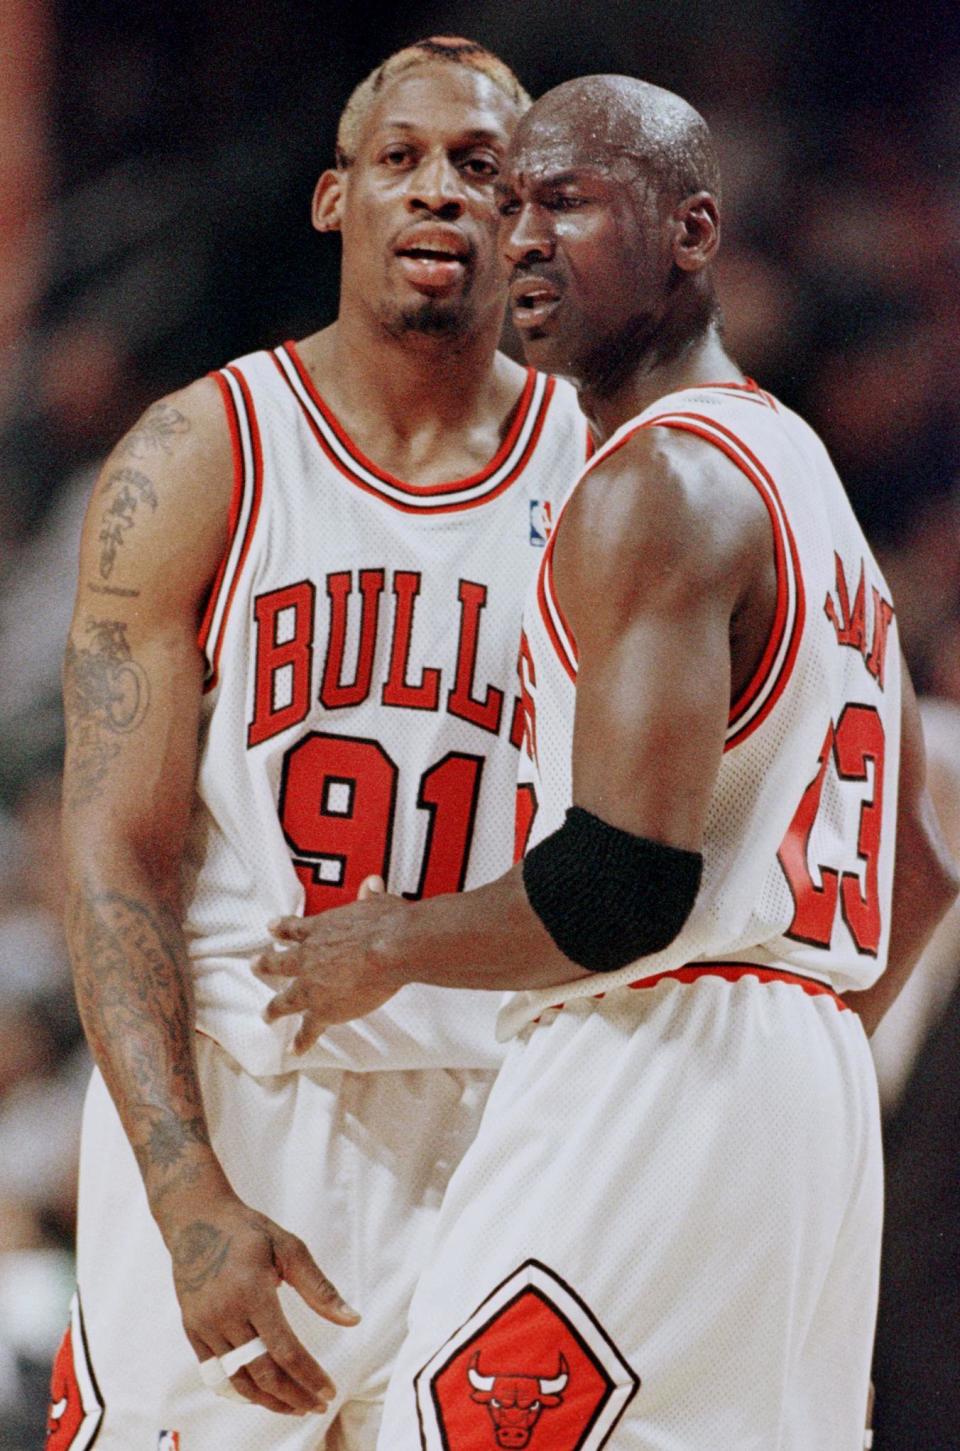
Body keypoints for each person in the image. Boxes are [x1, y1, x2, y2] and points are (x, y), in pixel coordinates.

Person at [256, 75, 959, 1449]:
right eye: (509, 203)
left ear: (693, 234)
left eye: (564, 202)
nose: (517, 237)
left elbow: (621, 889)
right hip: (805, 1098)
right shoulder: (801, 472)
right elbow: (920, 875)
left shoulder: (657, 484)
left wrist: (381, 944)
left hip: (654, 1063)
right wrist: (780, 1068)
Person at [54, 37, 589, 1451]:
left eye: (482, 168)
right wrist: (183, 1193)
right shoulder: (204, 453)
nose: (440, 195)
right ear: (330, 199)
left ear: (526, 214)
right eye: (401, 159)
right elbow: (113, 846)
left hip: (505, 1109)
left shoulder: (605, 472)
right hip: (251, 1087)